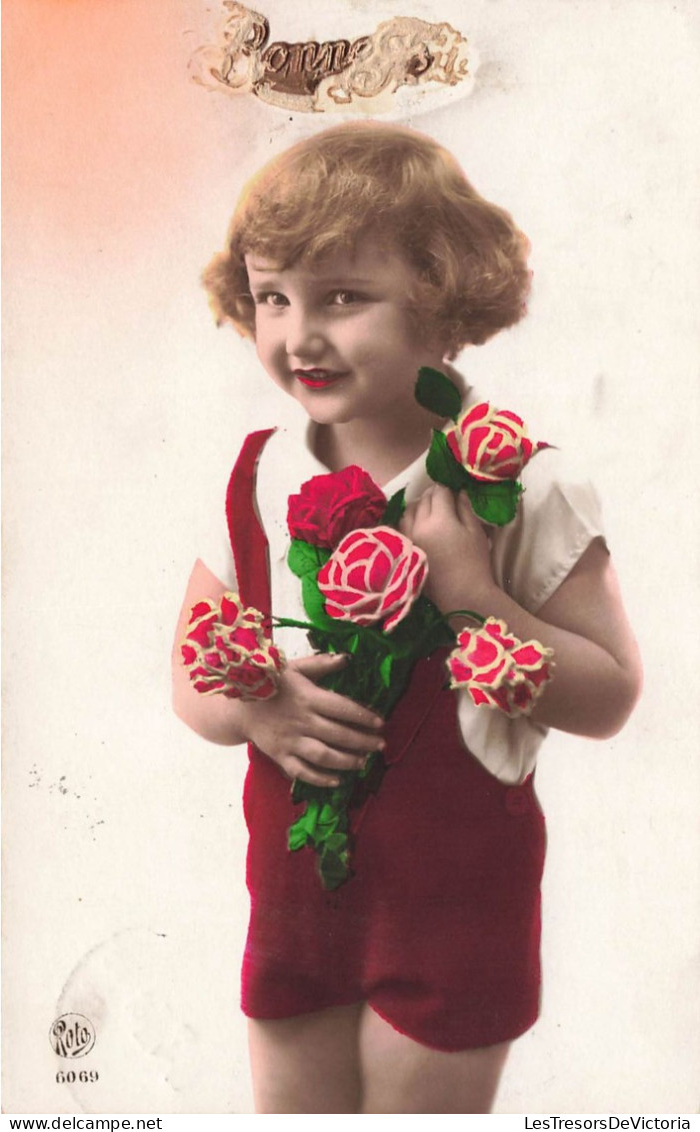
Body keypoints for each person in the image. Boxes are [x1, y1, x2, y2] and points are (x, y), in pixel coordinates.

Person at [172, 122, 642, 1114]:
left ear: (438, 296)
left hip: (453, 901)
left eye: (342, 297)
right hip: (296, 893)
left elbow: (607, 696)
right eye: (272, 297)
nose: (298, 334)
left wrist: (474, 594)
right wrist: (253, 713)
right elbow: (190, 671)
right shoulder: (256, 472)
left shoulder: (519, 478)